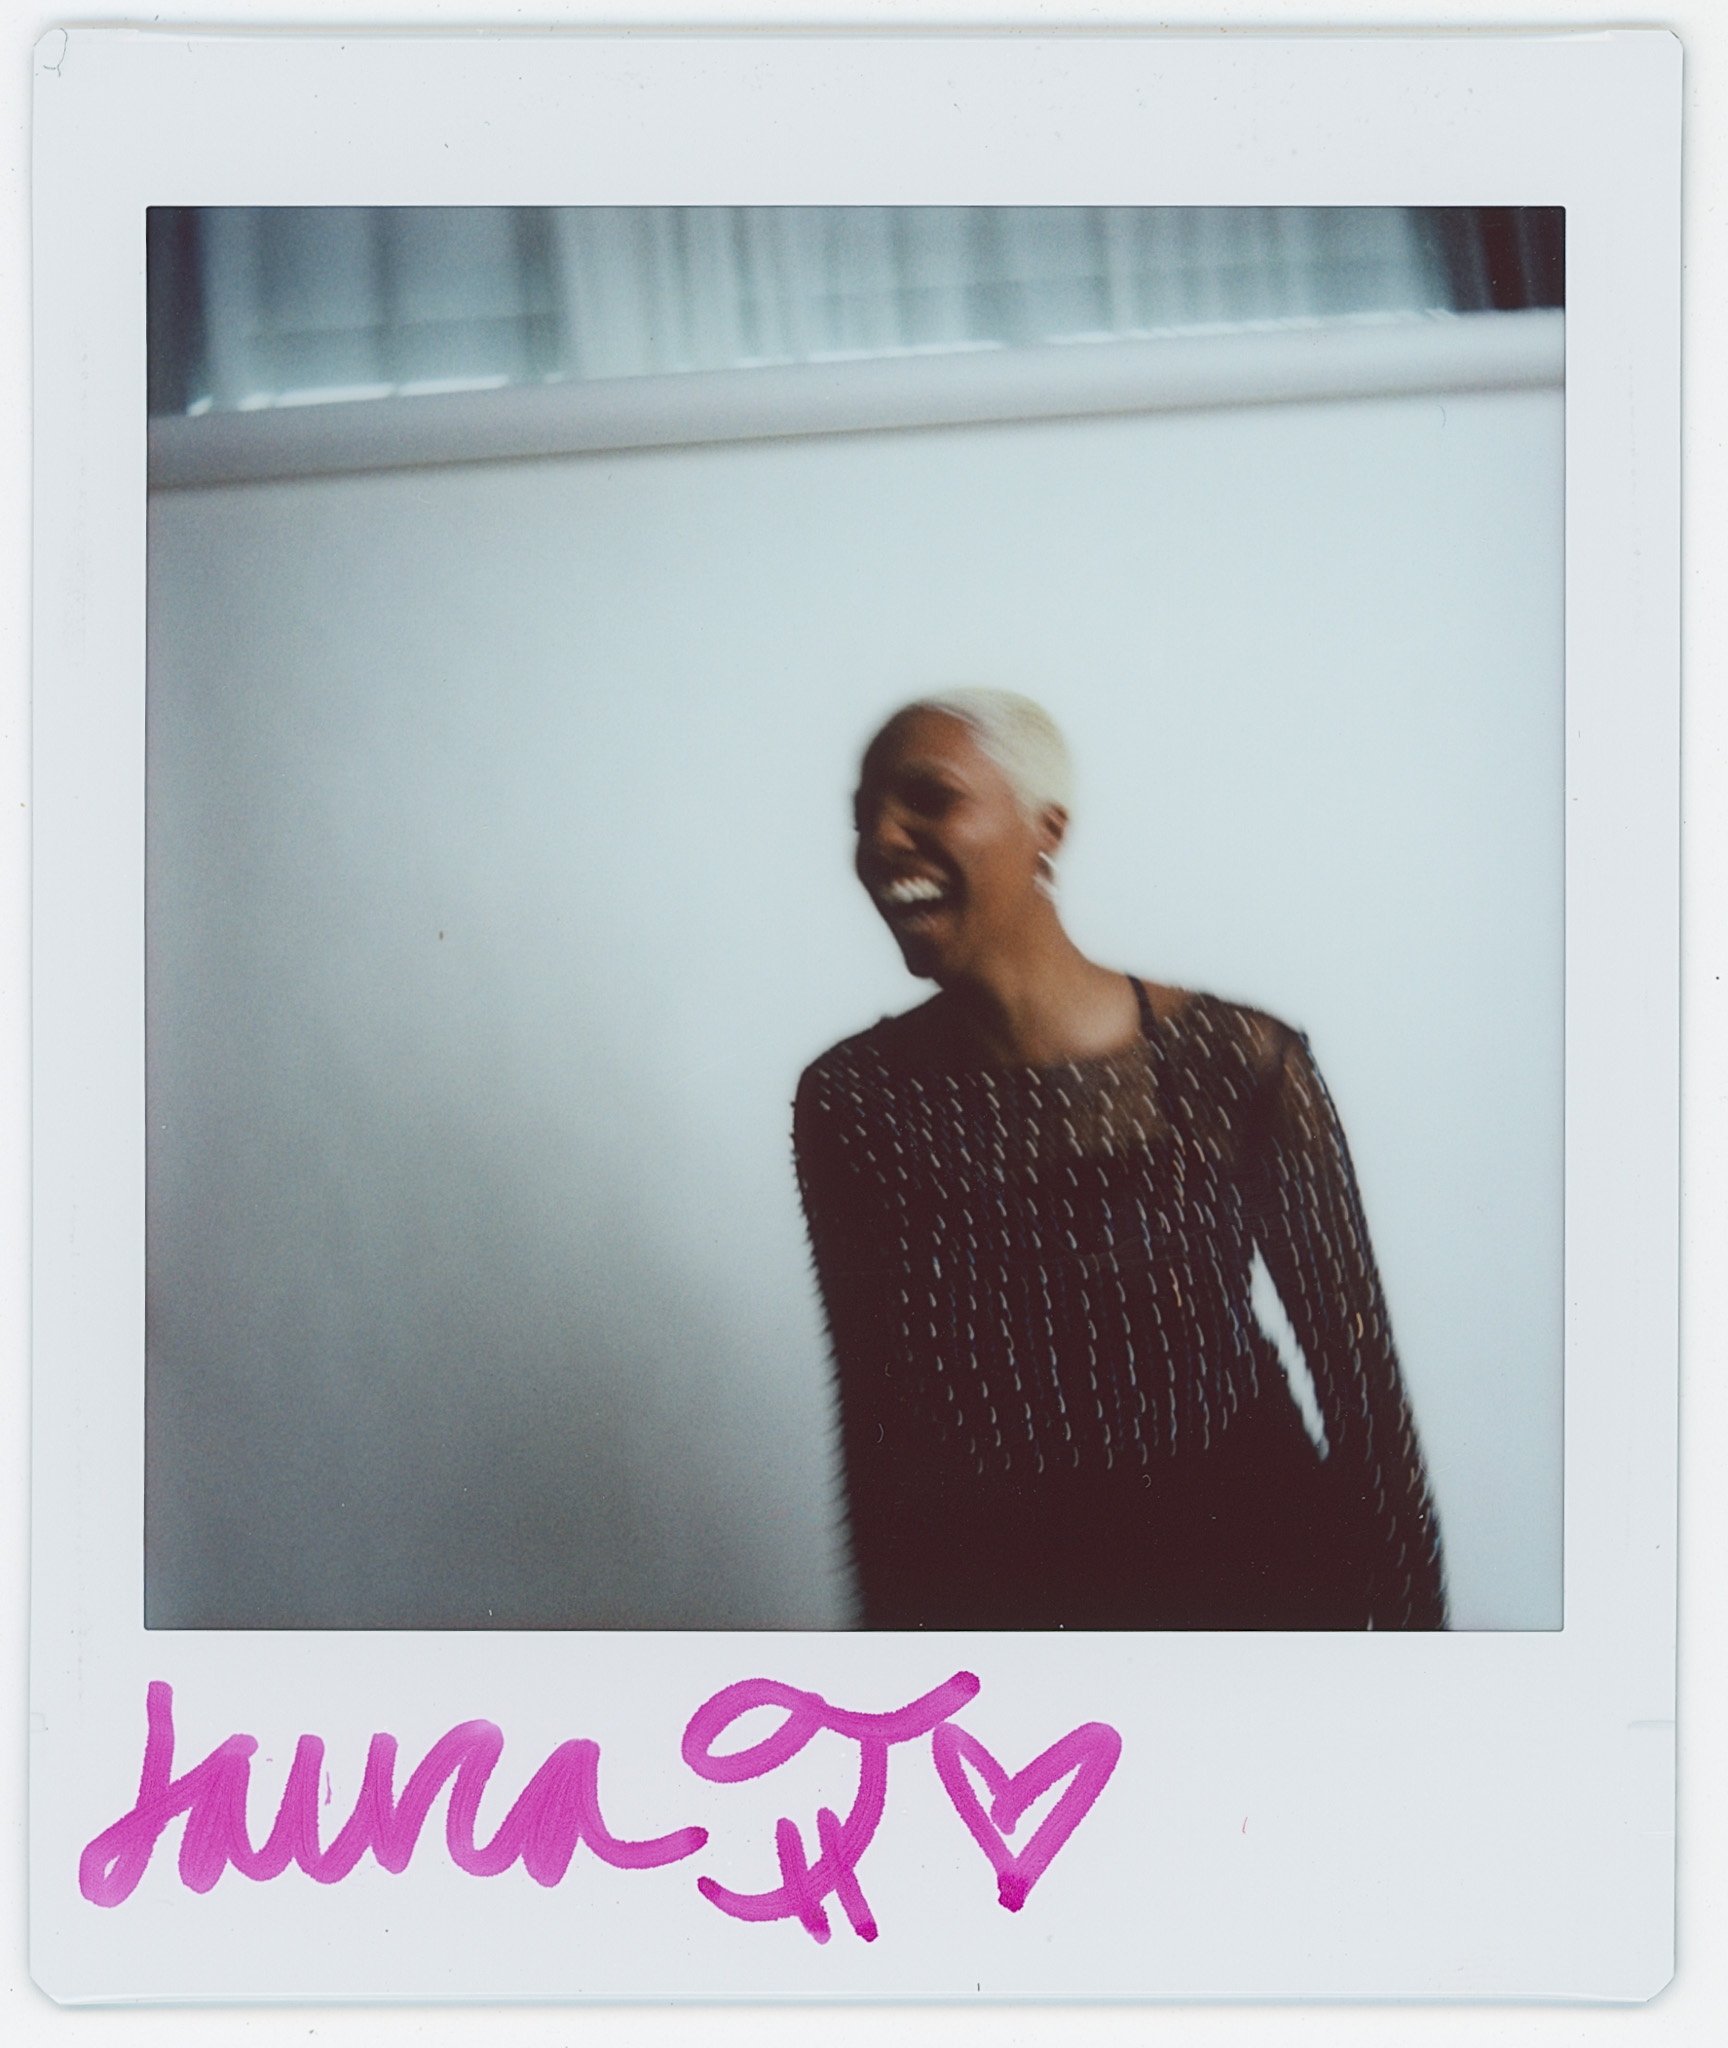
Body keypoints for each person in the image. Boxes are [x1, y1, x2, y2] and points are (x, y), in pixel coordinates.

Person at [793, 689, 1445, 1630]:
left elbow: (1367, 1403)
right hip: (1005, 1617)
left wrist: (1421, 1674)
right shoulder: (852, 1103)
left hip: (1260, 1592)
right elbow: (879, 1428)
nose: (881, 840)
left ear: (1046, 828)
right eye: (865, 816)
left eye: (929, 799)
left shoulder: (1234, 1060)